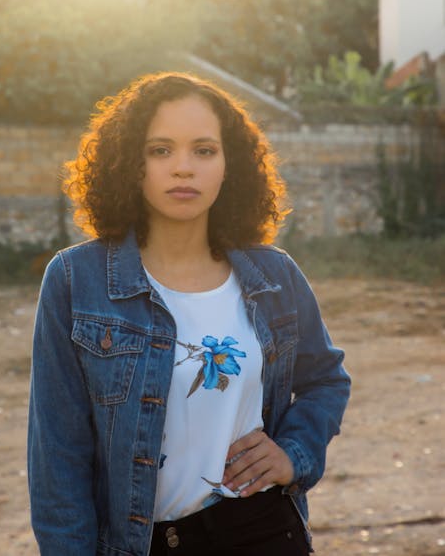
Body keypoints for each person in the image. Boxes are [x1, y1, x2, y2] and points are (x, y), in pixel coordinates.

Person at [28, 71, 350, 556]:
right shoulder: (77, 280)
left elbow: (326, 379)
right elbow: (58, 455)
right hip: (141, 544)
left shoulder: (275, 276)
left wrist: (294, 454)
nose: (183, 168)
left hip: (262, 531)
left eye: (204, 150)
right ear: (130, 164)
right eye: (160, 150)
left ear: (229, 165)